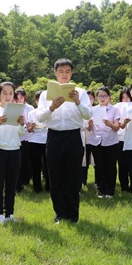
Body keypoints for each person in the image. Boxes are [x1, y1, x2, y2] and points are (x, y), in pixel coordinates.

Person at [36, 58, 92, 223]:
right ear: (55, 73)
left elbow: (88, 115)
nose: (64, 75)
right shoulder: (46, 94)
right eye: (61, 71)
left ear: (72, 73)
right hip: (54, 136)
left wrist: (78, 102)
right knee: (56, 176)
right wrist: (51, 107)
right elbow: (39, 117)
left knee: (73, 177)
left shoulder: (80, 92)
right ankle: (60, 214)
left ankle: (73, 215)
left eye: (67, 71)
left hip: (74, 136)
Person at [0, 82, 25, 224]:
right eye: (5, 93)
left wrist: (22, 124)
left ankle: (9, 213)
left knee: (11, 184)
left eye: (11, 93)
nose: (8, 96)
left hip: (15, 150)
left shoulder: (17, 110)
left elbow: (22, 133)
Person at [85, 87, 122, 198]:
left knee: (110, 166)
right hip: (96, 141)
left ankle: (110, 191)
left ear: (109, 98)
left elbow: (116, 127)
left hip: (111, 142)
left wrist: (110, 124)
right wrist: (89, 125)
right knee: (99, 167)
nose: (102, 98)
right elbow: (88, 128)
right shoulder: (93, 110)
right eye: (100, 96)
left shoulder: (114, 110)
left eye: (104, 96)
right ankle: (101, 190)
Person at [27, 90, 49, 193]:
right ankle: (37, 188)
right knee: (36, 165)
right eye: (38, 100)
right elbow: (29, 130)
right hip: (34, 141)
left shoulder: (49, 112)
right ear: (35, 101)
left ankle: (49, 187)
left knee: (49, 165)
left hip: (47, 140)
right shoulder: (32, 113)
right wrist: (32, 127)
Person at [15, 88, 34, 192]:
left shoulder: (30, 108)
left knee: (27, 160)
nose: (19, 100)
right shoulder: (14, 107)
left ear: (25, 97)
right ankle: (19, 181)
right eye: (17, 98)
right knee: (20, 161)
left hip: (28, 137)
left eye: (21, 98)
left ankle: (26, 179)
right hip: (18, 137)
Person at [116, 88, 132, 192]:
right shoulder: (117, 107)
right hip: (120, 138)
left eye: (127, 97)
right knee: (122, 164)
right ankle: (124, 186)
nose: (125, 100)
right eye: (123, 97)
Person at [82, 90, 96, 188]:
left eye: (91, 98)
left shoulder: (97, 110)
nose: (89, 100)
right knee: (84, 163)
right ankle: (83, 181)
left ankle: (97, 182)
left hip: (95, 139)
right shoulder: (81, 111)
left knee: (97, 162)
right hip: (84, 140)